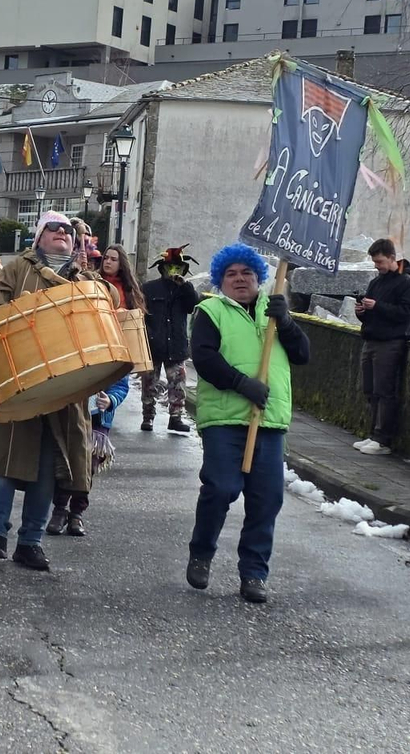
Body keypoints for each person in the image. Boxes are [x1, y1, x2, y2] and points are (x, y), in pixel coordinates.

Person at [0, 212, 99, 573]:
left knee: (48, 468)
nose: (62, 233)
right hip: (17, 376)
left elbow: (104, 312)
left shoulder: (83, 277)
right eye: (53, 228)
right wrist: (24, 313)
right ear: (39, 237)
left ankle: (31, 542)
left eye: (67, 230)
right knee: (4, 457)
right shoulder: (15, 270)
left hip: (63, 386)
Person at [184, 243, 311, 604]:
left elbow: (302, 354)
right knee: (220, 487)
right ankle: (201, 552)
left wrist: (287, 323)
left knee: (267, 499)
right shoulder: (210, 311)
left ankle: (254, 573)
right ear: (220, 280)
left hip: (268, 420)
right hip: (224, 418)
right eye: (231, 274)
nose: (240, 279)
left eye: (247, 273)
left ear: (259, 277)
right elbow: (204, 358)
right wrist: (242, 383)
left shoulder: (274, 312)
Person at [354, 238, 410, 456]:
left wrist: (377, 306)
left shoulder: (406, 282)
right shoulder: (376, 282)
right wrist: (361, 312)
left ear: (392, 258)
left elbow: (406, 313)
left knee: (384, 390)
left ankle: (382, 439)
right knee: (370, 389)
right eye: (375, 262)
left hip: (391, 342)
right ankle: (373, 434)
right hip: (371, 339)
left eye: (379, 262)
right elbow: (371, 314)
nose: (377, 266)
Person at [46, 373, 128, 538]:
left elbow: (121, 383)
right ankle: (60, 510)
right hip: (71, 415)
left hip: (97, 420)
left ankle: (77, 513)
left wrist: (111, 400)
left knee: (87, 467)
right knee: (66, 462)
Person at [140, 246, 202, 434]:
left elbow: (193, 305)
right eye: (170, 267)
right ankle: (148, 417)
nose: (174, 271)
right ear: (163, 269)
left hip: (176, 345)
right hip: (153, 344)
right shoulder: (149, 288)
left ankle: (176, 418)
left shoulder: (185, 290)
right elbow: (141, 313)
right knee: (149, 384)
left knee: (178, 384)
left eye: (178, 268)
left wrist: (185, 286)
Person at [98, 244, 144, 312]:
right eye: (105, 258)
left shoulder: (129, 286)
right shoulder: (95, 281)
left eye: (113, 259)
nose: (108, 262)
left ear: (121, 265)